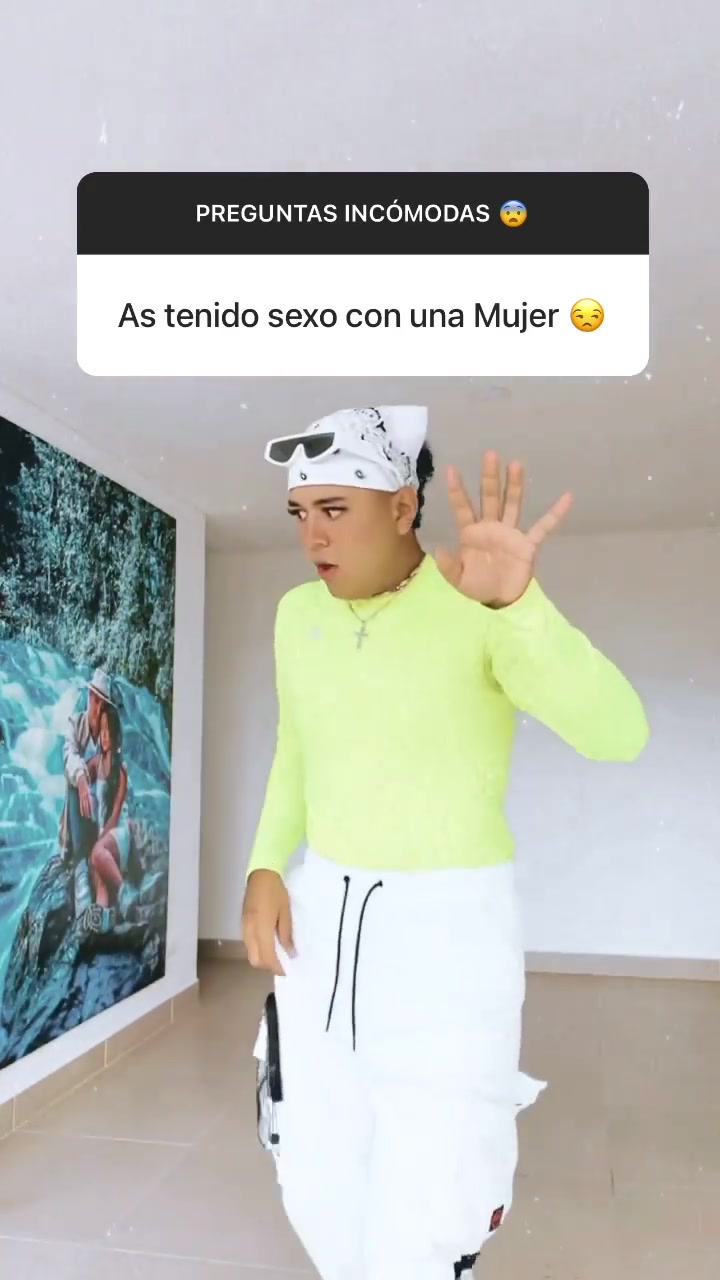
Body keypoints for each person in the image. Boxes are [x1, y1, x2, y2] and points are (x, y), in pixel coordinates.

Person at [242, 405, 649, 1280]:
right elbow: (296, 748)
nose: (312, 535)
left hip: (447, 930)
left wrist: (519, 609)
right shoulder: (295, 614)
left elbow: (620, 734)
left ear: (402, 506)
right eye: (300, 512)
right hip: (321, 918)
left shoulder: (477, 601)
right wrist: (267, 861)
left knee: (436, 1188)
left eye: (335, 509)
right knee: (314, 1162)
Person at [60, 667, 115, 866]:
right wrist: (82, 780)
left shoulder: (109, 733)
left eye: (103, 705)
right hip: (79, 812)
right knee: (74, 779)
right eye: (96, 701)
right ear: (90, 697)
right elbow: (69, 755)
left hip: (101, 813)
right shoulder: (75, 723)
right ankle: (80, 858)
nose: (99, 710)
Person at [87, 701, 132, 916]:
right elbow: (78, 774)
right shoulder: (97, 763)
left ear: (115, 734)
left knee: (96, 854)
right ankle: (103, 919)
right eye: (102, 730)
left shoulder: (121, 769)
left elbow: (114, 815)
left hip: (118, 834)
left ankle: (127, 894)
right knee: (100, 883)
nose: (104, 736)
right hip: (103, 840)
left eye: (108, 730)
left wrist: (98, 842)